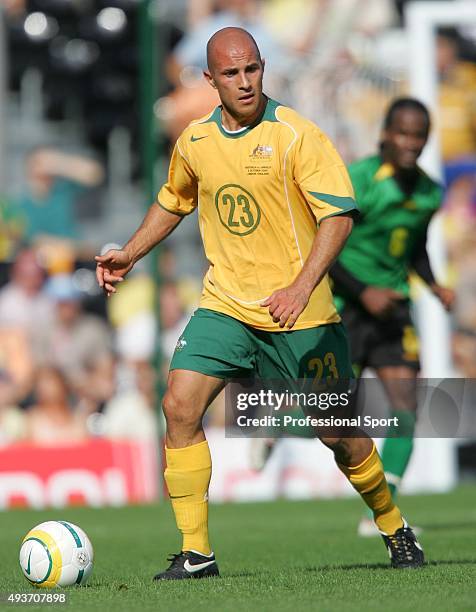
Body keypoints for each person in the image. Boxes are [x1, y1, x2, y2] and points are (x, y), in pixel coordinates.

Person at [95, 28, 424, 579]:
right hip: (226, 303)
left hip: (299, 313)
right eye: (231, 73)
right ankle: (197, 552)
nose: (244, 82)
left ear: (263, 68)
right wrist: (129, 253)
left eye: (252, 69)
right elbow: (173, 200)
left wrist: (301, 286)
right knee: (178, 406)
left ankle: (393, 526)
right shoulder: (196, 141)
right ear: (210, 80)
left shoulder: (297, 135)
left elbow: (338, 215)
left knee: (338, 434)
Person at [330, 97, 454, 536]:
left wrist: (434, 284)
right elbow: (324, 245)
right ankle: (275, 427)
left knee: (406, 405)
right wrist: (363, 291)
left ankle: (380, 514)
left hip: (394, 310)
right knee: (331, 412)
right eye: (402, 133)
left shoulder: (429, 192)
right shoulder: (358, 180)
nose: (410, 143)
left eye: (418, 135)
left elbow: (412, 245)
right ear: (384, 132)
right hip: (346, 305)